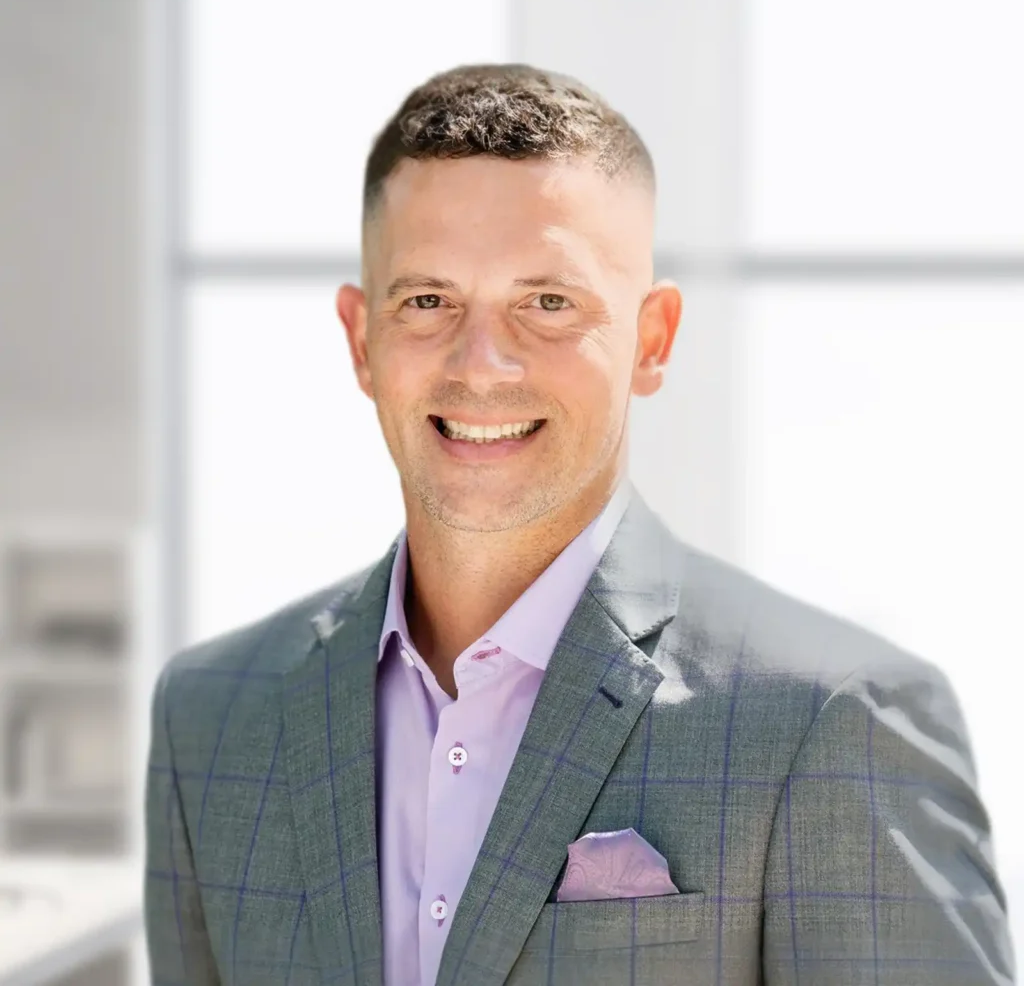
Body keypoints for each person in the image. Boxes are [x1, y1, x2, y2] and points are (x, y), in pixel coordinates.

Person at [144, 64, 1015, 986]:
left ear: (652, 340)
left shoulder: (839, 717)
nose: (481, 366)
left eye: (548, 302)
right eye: (429, 300)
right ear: (362, 340)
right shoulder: (210, 718)